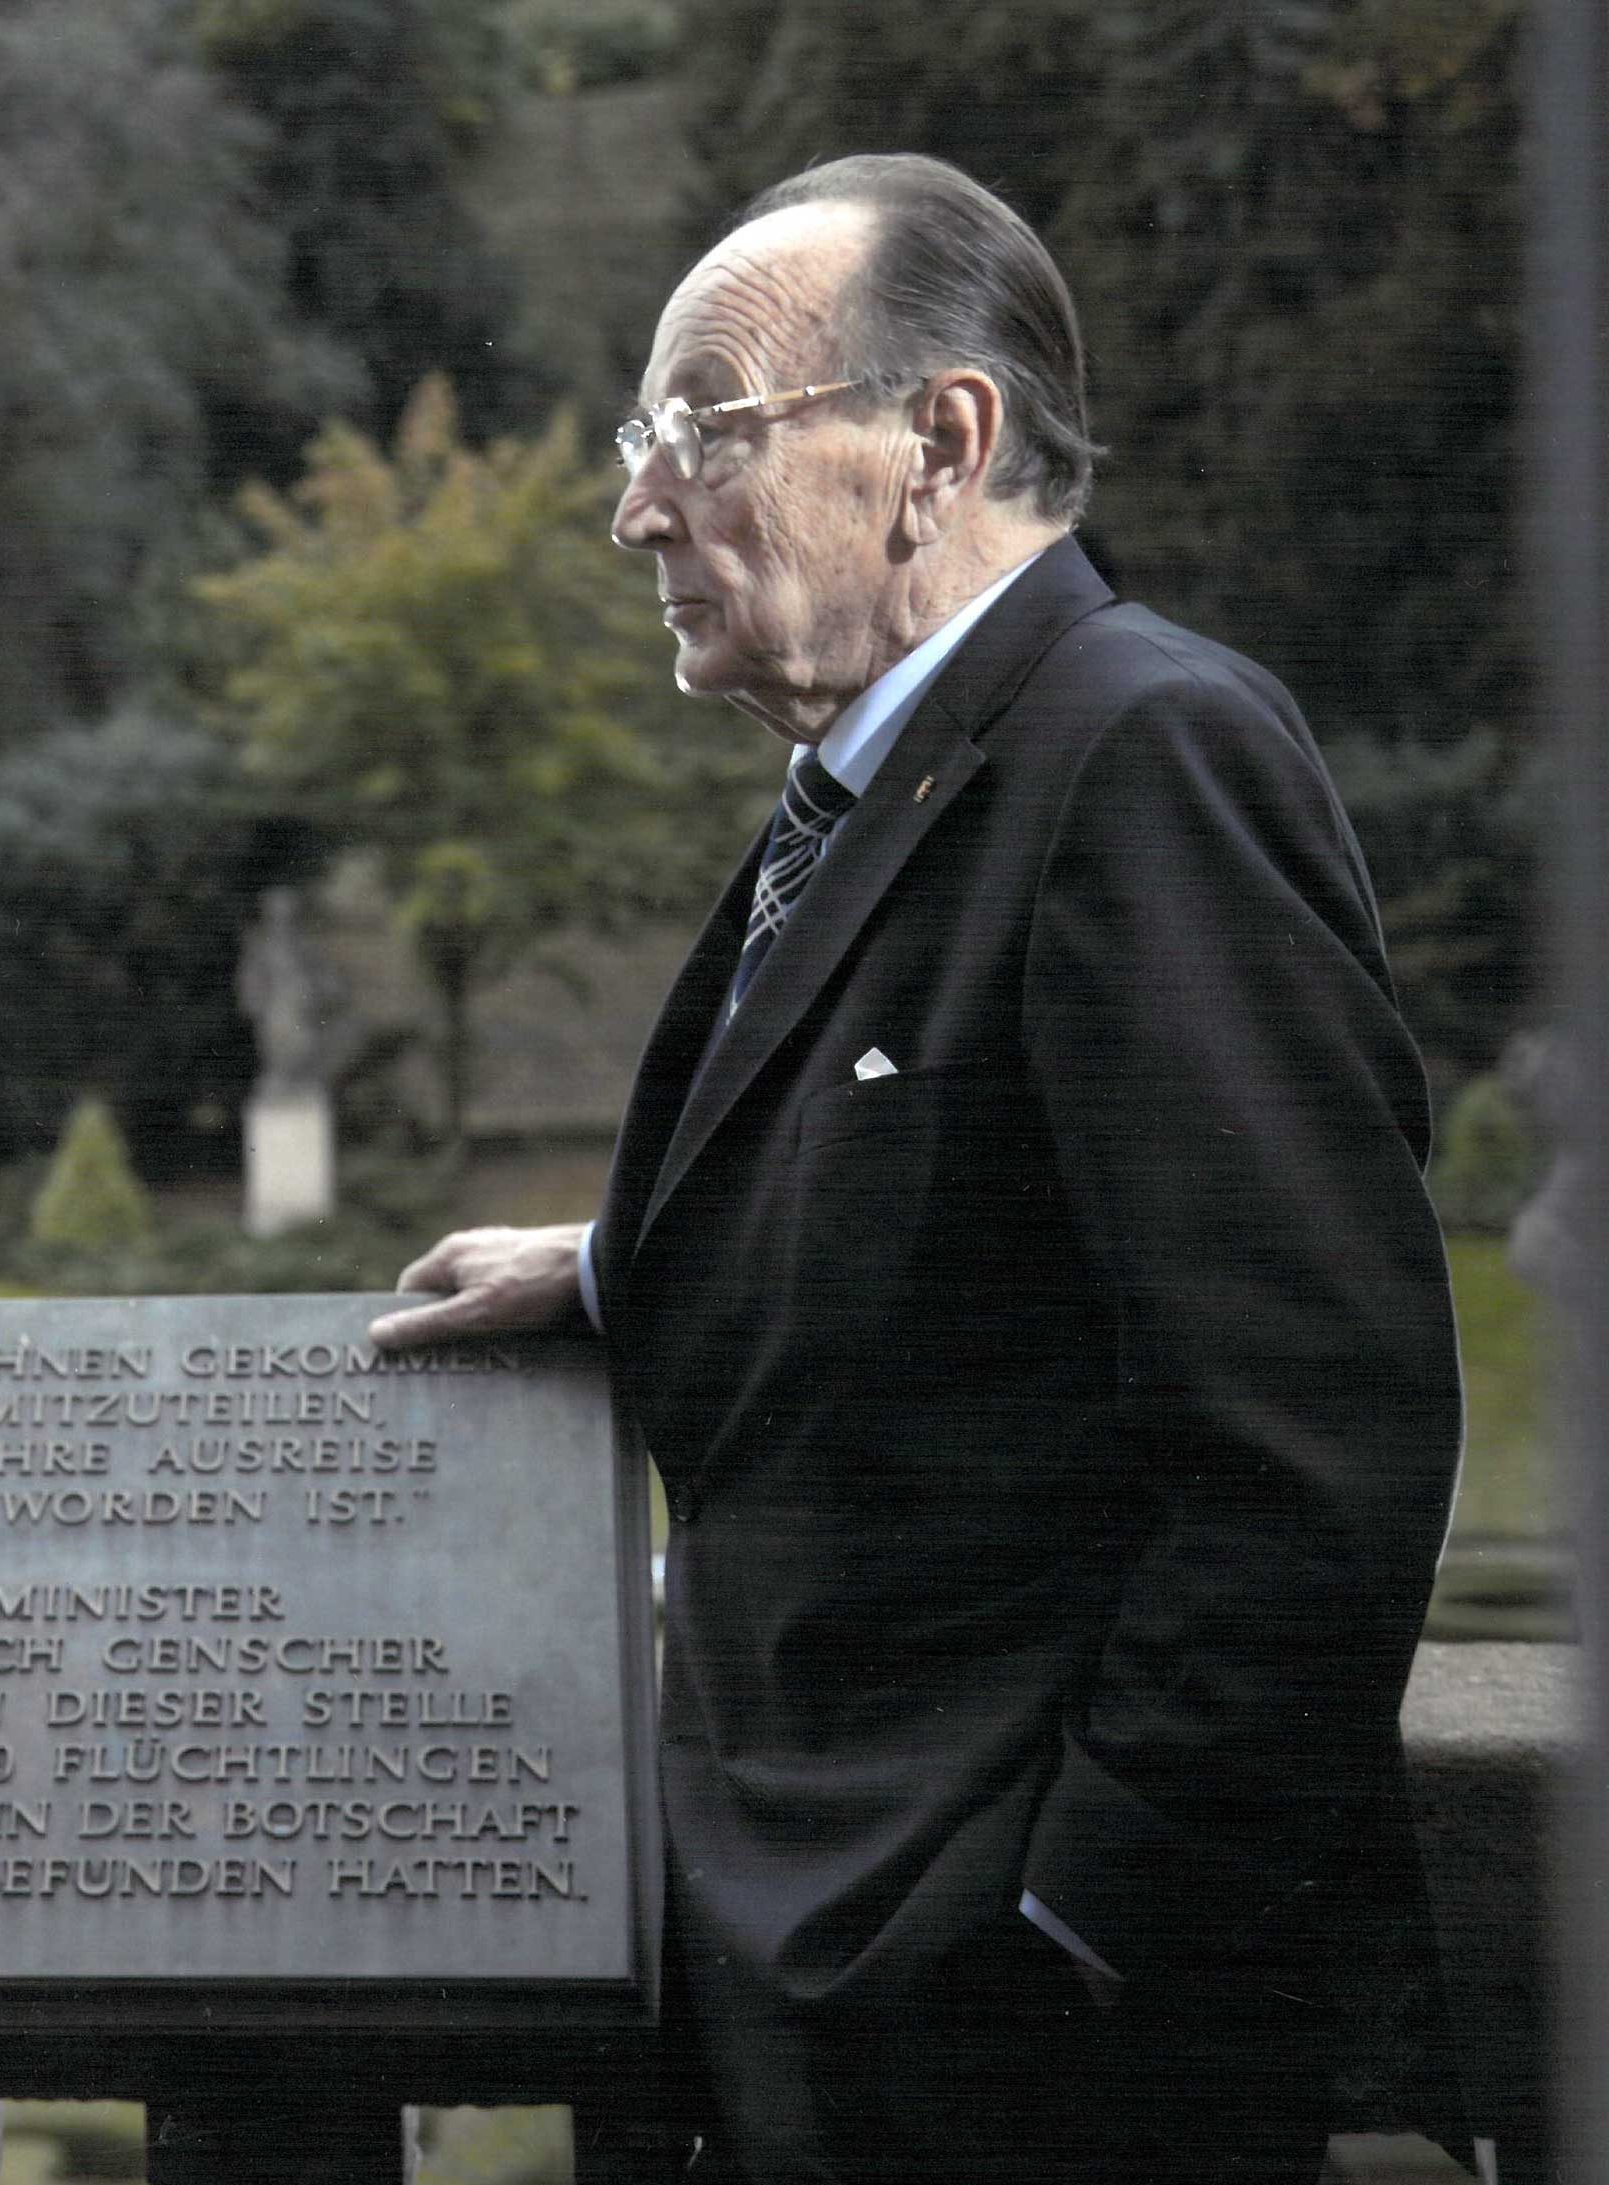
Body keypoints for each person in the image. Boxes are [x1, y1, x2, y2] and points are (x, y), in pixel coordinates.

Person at [368, 154, 1462, 2182]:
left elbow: (1321, 1452)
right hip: (830, 2000)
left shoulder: (1147, 750)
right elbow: (958, 1223)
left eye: (700, 426)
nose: (636, 507)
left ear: (939, 442)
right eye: (640, 443)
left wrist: (1078, 1929)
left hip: (1032, 2056)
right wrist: (617, 1266)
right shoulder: (887, 787)